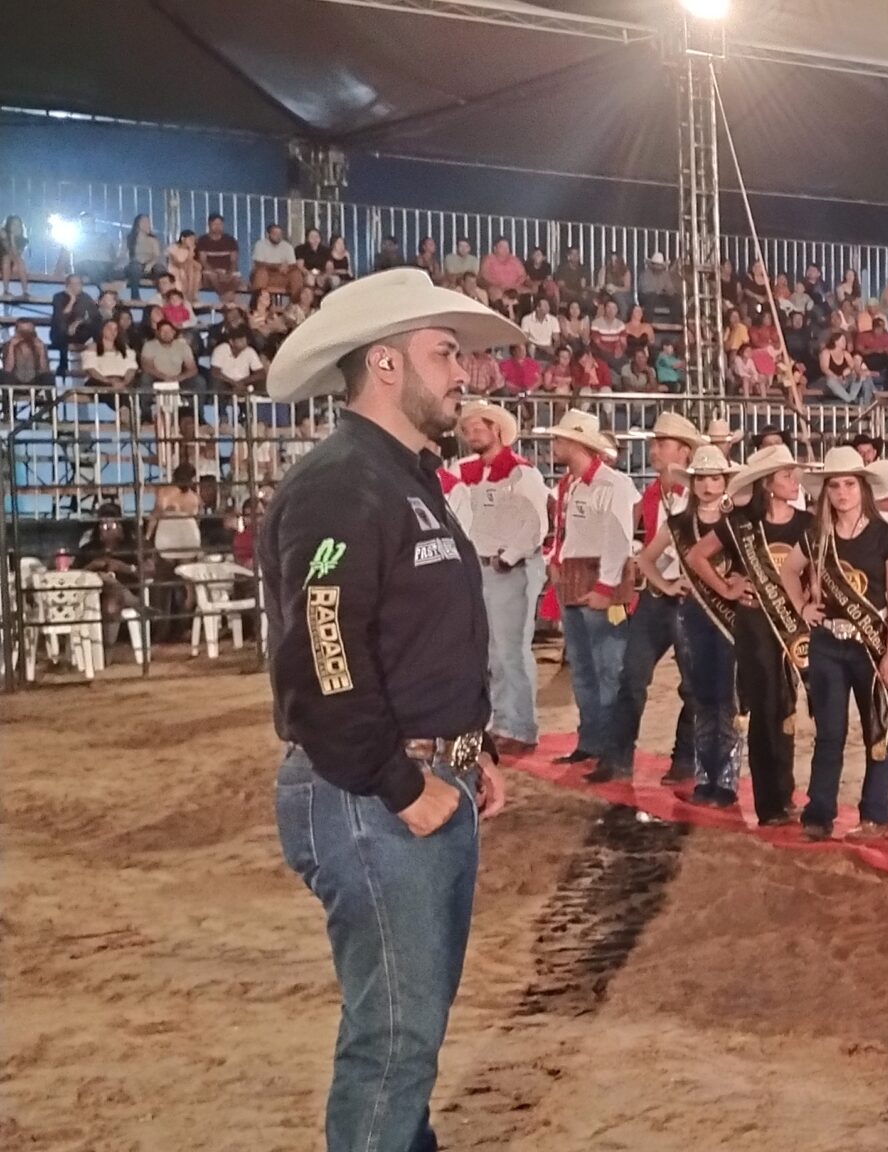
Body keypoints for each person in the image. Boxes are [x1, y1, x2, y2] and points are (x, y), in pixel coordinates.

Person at [256, 267, 519, 1150]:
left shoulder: (398, 479)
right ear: (385, 363)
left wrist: (471, 749)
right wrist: (400, 782)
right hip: (373, 794)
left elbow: (414, 638)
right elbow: (324, 648)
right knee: (395, 1042)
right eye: (445, 353)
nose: (463, 373)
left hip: (409, 779)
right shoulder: (344, 482)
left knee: (408, 1037)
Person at [688, 444, 815, 827]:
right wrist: (727, 587)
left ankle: (785, 793)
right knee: (764, 709)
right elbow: (696, 556)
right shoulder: (740, 523)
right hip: (756, 624)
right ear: (767, 484)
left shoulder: (807, 522)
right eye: (786, 475)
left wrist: (808, 600)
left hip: (792, 625)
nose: (794, 481)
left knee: (786, 708)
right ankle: (769, 804)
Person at [798, 450, 888, 841]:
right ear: (826, 491)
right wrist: (801, 606)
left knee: (879, 731)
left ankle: (875, 815)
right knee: (829, 733)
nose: (842, 492)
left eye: (849, 484)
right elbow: (789, 570)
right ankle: (818, 813)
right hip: (827, 642)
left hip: (871, 644)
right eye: (834, 485)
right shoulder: (817, 537)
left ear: (863, 488)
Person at [614, 412, 713, 787]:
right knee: (632, 677)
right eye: (655, 443)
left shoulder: (692, 496)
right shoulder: (658, 493)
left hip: (681, 596)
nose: (654, 450)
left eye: (662, 443)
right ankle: (621, 757)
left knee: (691, 685)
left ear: (684, 451)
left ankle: (681, 759)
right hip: (662, 595)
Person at [541, 408, 640, 776]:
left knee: (608, 670)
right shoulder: (572, 484)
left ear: (576, 443)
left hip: (597, 579)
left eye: (560, 439)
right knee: (585, 669)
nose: (554, 445)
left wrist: (605, 586)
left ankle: (612, 751)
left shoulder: (612, 485)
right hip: (577, 576)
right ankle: (593, 742)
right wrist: (555, 559)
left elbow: (619, 540)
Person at [454, 401, 547, 758]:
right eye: (468, 430)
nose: (472, 434)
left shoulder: (520, 473)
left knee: (510, 650)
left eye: (479, 428)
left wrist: (508, 556)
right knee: (495, 650)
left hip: (509, 566)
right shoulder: (476, 472)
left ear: (496, 430)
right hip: (489, 564)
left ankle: (519, 725)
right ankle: (504, 722)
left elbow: (536, 523)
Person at [657, 444, 744, 808]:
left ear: (725, 482)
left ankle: (727, 781)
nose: (708, 486)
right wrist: (666, 585)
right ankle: (705, 777)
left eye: (715, 478)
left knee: (728, 700)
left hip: (730, 617)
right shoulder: (679, 524)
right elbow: (646, 558)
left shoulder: (739, 522)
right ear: (692, 484)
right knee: (701, 698)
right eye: (702, 479)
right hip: (692, 614)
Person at [195, 214, 241, 294]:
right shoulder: (203, 240)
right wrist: (217, 273)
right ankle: (224, 296)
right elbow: (203, 261)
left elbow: (234, 261)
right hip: (210, 272)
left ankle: (227, 296)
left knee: (236, 279)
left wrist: (229, 274)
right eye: (215, 224)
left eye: (220, 224)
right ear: (209, 225)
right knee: (213, 277)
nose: (218, 226)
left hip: (227, 271)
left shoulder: (230, 240)